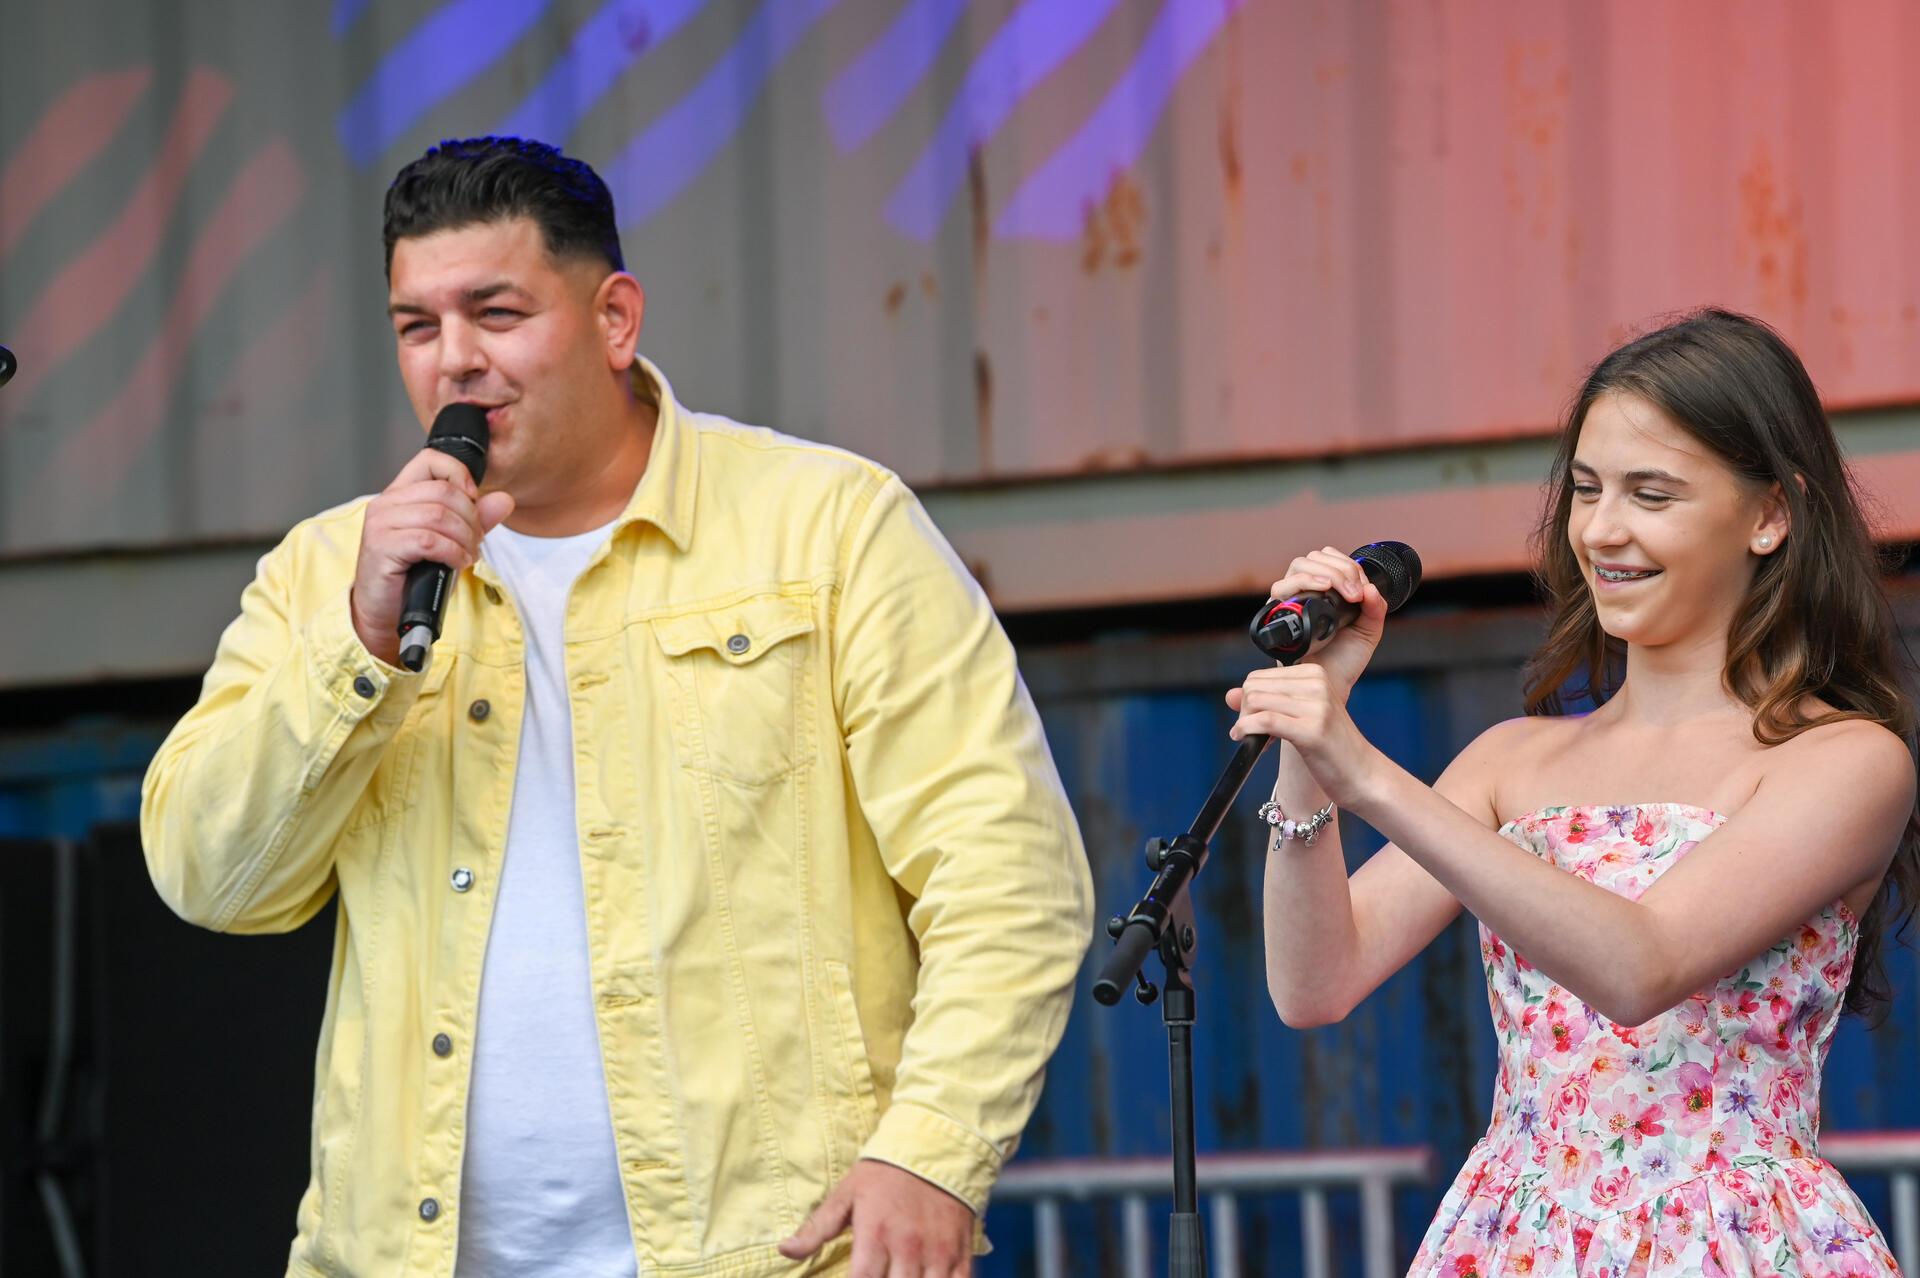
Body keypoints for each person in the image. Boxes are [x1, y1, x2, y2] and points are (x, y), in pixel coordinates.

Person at [140, 136, 1092, 1278]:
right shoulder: (328, 571)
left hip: (775, 1255)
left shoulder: (828, 529)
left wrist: (934, 1150)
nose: (455, 362)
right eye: (417, 326)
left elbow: (1007, 871)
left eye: (496, 313)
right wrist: (359, 641)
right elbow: (210, 878)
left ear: (615, 319)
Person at [1234, 309, 1916, 1276]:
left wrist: (1372, 777)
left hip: (1730, 1239)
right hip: (1517, 1235)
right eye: (1586, 490)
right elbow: (1313, 985)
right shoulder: (1514, 758)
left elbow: (1641, 965)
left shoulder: (1844, 760)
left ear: (1772, 514)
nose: (1602, 529)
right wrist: (1312, 730)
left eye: (1653, 493)